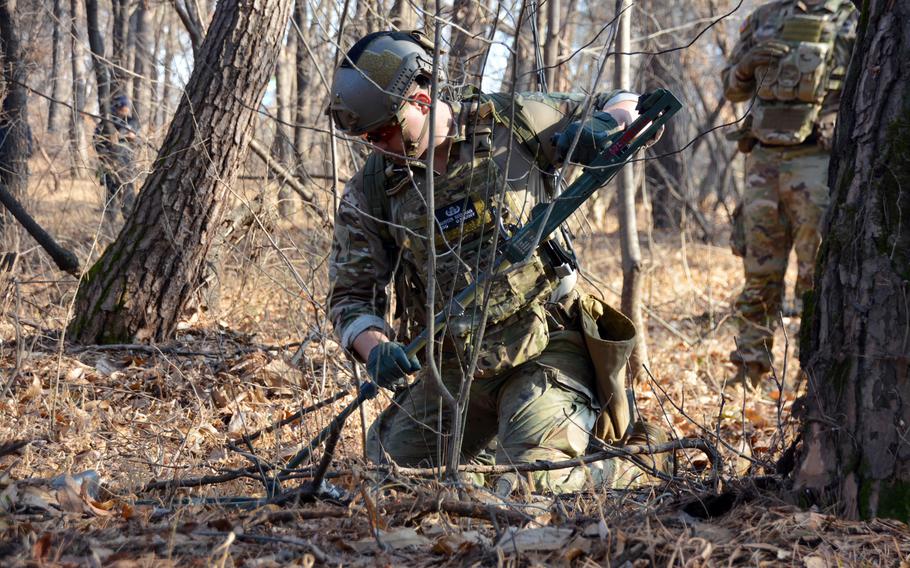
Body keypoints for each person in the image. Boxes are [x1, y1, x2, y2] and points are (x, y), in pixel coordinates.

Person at [327, 30, 666, 495]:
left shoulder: (514, 122)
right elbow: (350, 294)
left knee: (533, 484)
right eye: (367, 138)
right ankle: (490, 456)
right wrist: (375, 347)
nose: (378, 145)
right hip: (454, 364)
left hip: (545, 345)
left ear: (422, 101)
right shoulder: (374, 188)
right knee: (388, 476)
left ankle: (625, 469)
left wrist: (605, 126)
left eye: (384, 130)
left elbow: (631, 103)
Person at [722, 0, 857, 390]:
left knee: (816, 273)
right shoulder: (763, 18)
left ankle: (813, 368)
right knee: (759, 270)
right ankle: (748, 369)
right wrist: (746, 66)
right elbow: (731, 88)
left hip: (819, 157)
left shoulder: (850, 16)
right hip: (763, 159)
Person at [93, 94, 140, 224]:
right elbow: (97, 142)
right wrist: (106, 159)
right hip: (109, 165)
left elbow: (134, 135)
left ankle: (129, 223)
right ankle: (110, 224)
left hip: (127, 165)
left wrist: (125, 136)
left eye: (126, 107)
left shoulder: (132, 122)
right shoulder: (105, 124)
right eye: (123, 107)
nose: (125, 110)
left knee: (128, 196)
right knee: (111, 196)